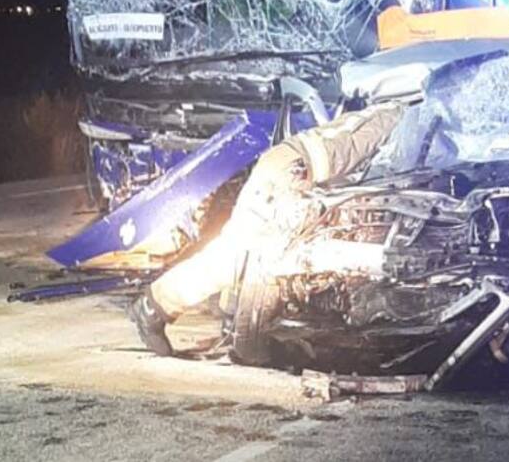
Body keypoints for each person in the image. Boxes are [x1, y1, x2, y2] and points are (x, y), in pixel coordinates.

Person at [130, 103, 404, 357]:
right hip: (291, 173)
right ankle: (153, 308)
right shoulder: (405, 119)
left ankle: (231, 323)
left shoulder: (391, 110)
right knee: (236, 257)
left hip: (291, 165)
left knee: (244, 256)